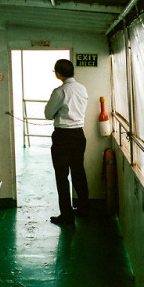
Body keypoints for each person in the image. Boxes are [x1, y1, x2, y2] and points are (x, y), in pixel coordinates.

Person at [44, 59, 89, 225]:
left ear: (58, 73)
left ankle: (67, 215)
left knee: (62, 176)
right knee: (78, 172)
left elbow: (48, 114)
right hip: (79, 134)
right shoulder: (82, 88)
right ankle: (84, 208)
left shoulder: (59, 91)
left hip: (63, 136)